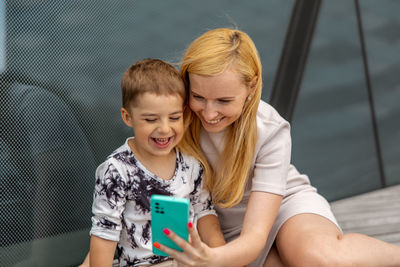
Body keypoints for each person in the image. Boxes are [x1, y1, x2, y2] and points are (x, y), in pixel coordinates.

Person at [154, 28, 400, 267]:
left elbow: (255, 235)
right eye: (198, 97)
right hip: (219, 227)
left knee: (317, 259)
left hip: (284, 208)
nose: (208, 113)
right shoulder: (173, 122)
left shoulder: (270, 128)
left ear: (251, 88)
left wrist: (216, 260)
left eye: (224, 101)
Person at [85, 58, 225, 267]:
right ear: (127, 117)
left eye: (174, 117)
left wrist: (222, 258)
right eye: (151, 120)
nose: (165, 129)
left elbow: (205, 213)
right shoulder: (117, 170)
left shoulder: (192, 164)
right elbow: (104, 232)